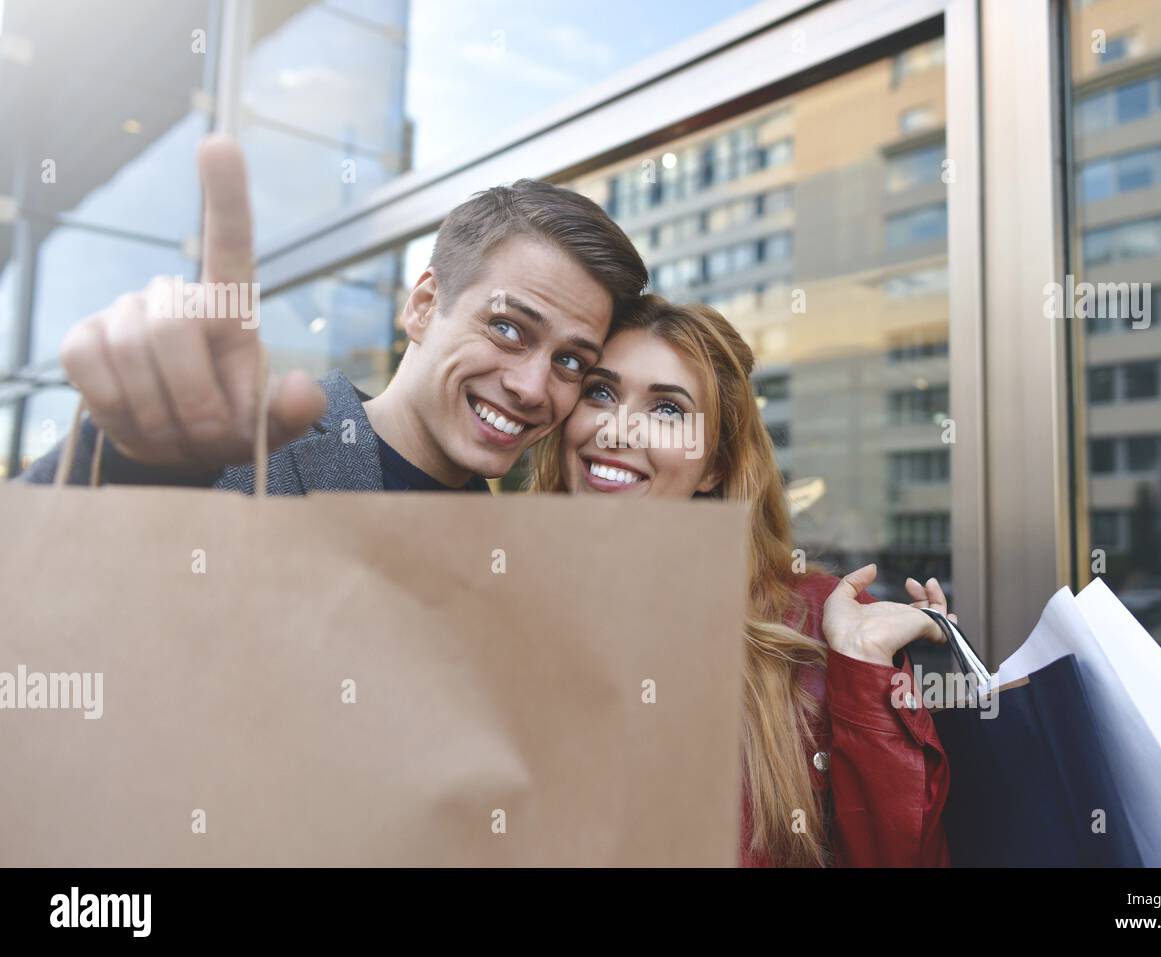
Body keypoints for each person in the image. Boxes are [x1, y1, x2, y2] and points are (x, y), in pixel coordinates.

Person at [529, 294, 953, 866]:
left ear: (716, 466)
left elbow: (899, 856)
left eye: (668, 410)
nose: (616, 429)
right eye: (601, 392)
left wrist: (862, 672)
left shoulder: (815, 624)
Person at [18, 135, 647, 493]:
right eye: (508, 329)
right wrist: (131, 460)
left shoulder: (512, 564)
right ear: (425, 306)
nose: (532, 387)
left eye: (569, 360)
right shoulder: (247, 457)